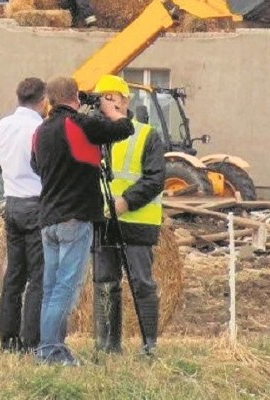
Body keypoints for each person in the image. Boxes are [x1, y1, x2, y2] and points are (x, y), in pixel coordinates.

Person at [30, 76, 134, 366]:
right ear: (75, 97)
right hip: (75, 216)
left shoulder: (41, 130)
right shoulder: (78, 124)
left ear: (50, 99)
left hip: (48, 218)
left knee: (50, 287)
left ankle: (49, 347)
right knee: (66, 286)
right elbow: (123, 129)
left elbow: (35, 165)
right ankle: (50, 349)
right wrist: (114, 109)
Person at [90, 75, 165, 357]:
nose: (105, 102)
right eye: (101, 97)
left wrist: (126, 201)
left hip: (138, 223)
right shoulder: (94, 136)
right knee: (105, 284)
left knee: (141, 284)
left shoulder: (146, 134)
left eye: (111, 96)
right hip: (103, 223)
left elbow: (156, 178)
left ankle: (149, 346)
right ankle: (108, 345)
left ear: (124, 100)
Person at [0, 77, 47, 355]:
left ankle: (7, 338)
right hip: (37, 203)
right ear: (43, 100)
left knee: (14, 274)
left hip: (11, 203)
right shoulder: (40, 127)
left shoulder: (1, 126)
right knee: (38, 277)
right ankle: (30, 340)